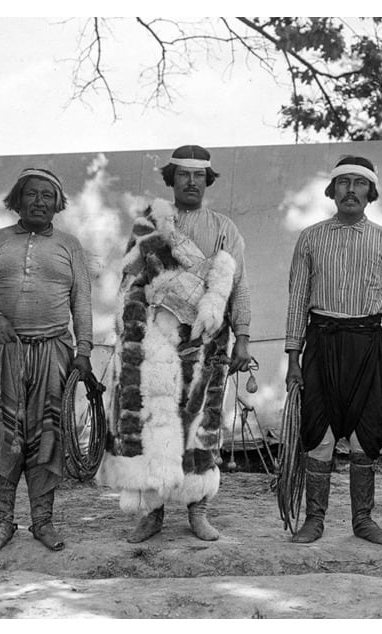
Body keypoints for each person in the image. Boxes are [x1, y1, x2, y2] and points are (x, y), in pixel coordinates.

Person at [97, 144, 253, 543]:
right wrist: (133, 335)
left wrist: (244, 338)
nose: (190, 181)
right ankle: (153, 514)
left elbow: (239, 287)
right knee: (155, 425)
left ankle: (198, 510)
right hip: (155, 341)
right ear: (171, 178)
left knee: (201, 423)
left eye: (198, 175)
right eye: (182, 174)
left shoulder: (224, 228)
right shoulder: (150, 225)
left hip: (206, 341)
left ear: (207, 180)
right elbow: (131, 283)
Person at [284, 155, 382, 545]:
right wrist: (292, 357)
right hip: (321, 342)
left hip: (370, 345)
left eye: (359, 183)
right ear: (332, 191)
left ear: (371, 193)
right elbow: (298, 298)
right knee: (317, 434)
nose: (351, 190)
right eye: (343, 183)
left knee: (364, 436)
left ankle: (362, 520)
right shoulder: (311, 237)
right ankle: (313, 519)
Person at [0, 167, 93, 554]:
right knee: (5, 435)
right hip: (6, 350)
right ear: (17, 199)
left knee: (47, 439)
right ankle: (1, 524)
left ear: (58, 203)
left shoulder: (70, 245)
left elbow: (82, 302)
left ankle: (42, 522)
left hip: (54, 352)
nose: (39, 201)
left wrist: (84, 351)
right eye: (32, 194)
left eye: (47, 195)